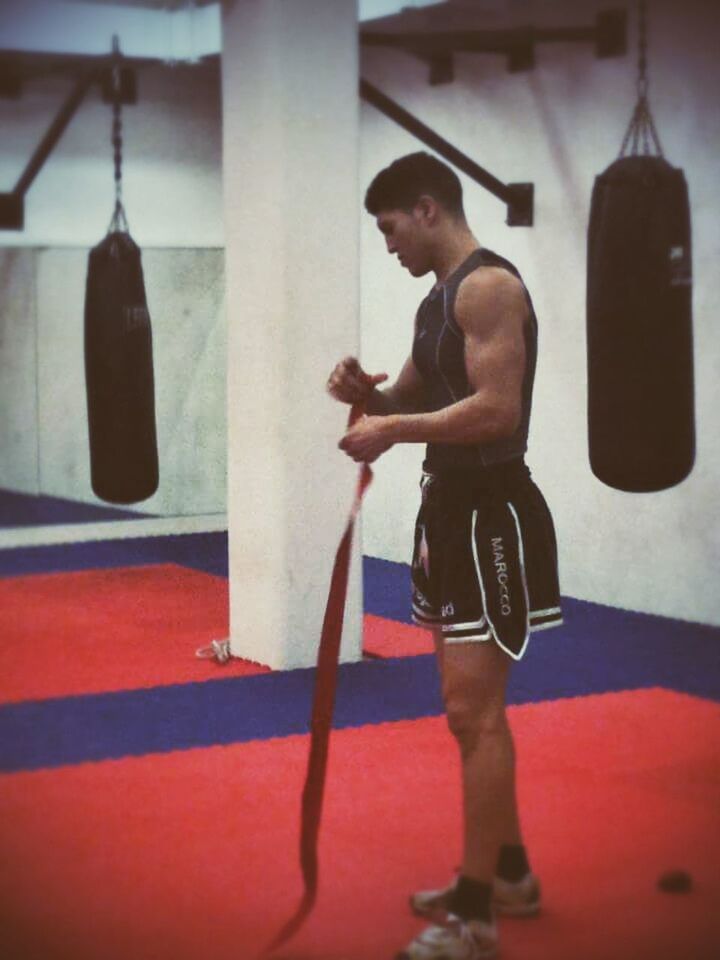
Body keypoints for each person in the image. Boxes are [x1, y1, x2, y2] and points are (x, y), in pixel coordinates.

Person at [327, 152, 563, 960]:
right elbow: (414, 401)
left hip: (492, 515)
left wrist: (390, 431)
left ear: (426, 209)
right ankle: (512, 878)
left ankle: (475, 917)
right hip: (450, 511)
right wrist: (365, 395)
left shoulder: (488, 288)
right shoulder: (438, 301)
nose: (388, 245)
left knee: (474, 714)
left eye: (390, 229)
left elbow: (496, 411)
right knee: (472, 716)